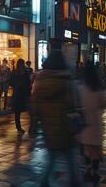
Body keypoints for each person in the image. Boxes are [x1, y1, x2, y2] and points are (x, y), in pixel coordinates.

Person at [31, 50, 81, 187]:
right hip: (66, 128)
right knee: (71, 161)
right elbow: (76, 105)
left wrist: (34, 126)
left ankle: (44, 182)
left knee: (52, 159)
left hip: (49, 130)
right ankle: (74, 183)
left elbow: (34, 109)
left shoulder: (39, 82)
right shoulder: (68, 81)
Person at [79, 61, 106, 184]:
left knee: (86, 149)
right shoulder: (99, 89)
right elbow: (104, 104)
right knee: (96, 151)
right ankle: (95, 172)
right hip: (96, 123)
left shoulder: (81, 87)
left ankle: (87, 169)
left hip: (85, 123)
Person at [10, 59, 31, 134]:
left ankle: (28, 127)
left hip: (21, 93)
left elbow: (28, 83)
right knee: (18, 111)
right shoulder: (22, 73)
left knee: (23, 110)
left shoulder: (22, 73)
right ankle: (19, 128)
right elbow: (11, 82)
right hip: (19, 94)